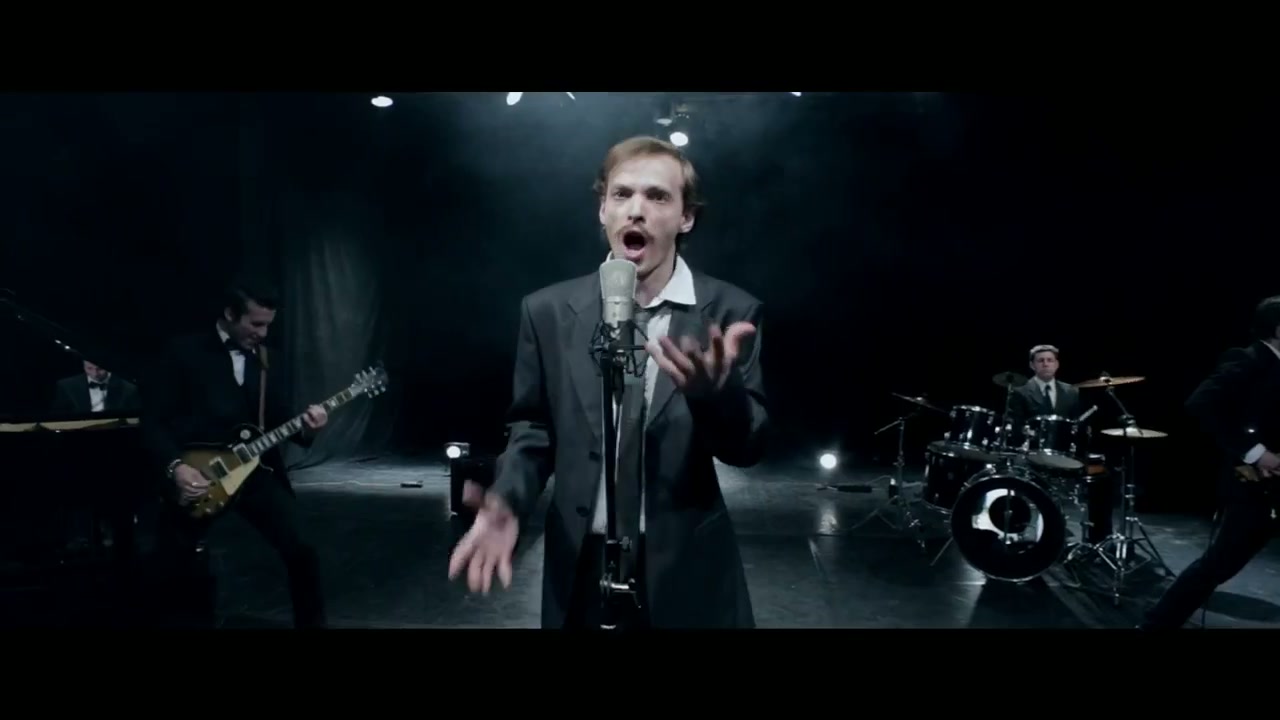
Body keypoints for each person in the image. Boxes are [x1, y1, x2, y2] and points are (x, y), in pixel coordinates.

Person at [447, 135, 768, 629]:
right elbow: (532, 431)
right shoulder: (548, 312)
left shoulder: (729, 312)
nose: (636, 210)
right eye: (622, 194)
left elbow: (747, 448)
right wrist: (507, 499)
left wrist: (715, 398)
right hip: (580, 568)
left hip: (686, 570)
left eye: (657, 196)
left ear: (686, 217)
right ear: (603, 210)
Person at [139, 276, 330, 628]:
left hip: (257, 473)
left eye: (268, 325)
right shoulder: (183, 353)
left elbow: (279, 418)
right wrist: (176, 468)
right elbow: (153, 422)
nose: (263, 333)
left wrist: (308, 429)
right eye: (255, 324)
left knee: (303, 549)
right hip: (200, 475)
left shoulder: (269, 359)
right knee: (171, 561)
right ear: (230, 313)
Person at [1138, 296, 1280, 629]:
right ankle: (1156, 624)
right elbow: (1202, 403)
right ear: (1277, 328)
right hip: (1255, 482)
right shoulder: (1248, 359)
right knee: (1220, 563)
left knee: (1221, 561)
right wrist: (1256, 452)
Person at [1007, 344, 1085, 428]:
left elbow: (1075, 424)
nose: (1045, 364)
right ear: (1032, 365)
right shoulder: (1020, 391)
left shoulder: (1071, 391)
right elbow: (1016, 426)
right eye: (1041, 360)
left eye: (1050, 360)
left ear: (1057, 364)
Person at [49, 359, 141, 415]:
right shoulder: (66, 386)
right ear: (84, 366)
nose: (95, 374)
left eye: (99, 369)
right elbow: (59, 414)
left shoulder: (128, 388)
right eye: (89, 368)